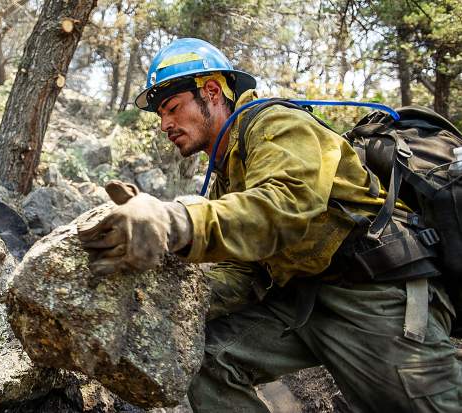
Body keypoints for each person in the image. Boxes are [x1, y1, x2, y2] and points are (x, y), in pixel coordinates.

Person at [78, 38, 462, 412]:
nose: (164, 123)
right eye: (161, 114)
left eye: (172, 107)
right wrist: (170, 300)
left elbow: (283, 208)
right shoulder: (227, 172)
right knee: (204, 357)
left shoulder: (277, 123)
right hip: (304, 300)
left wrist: (176, 220)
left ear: (211, 91)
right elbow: (244, 267)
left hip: (375, 294)